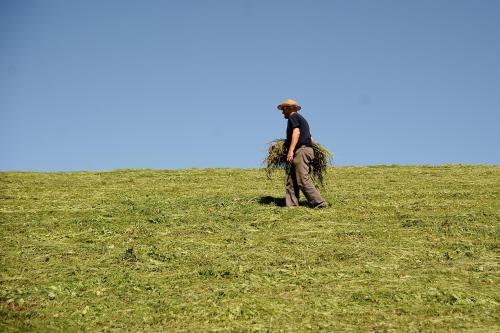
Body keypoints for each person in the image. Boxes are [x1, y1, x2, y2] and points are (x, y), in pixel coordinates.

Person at [277, 99, 328, 208]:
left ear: (288, 108)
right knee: (291, 179)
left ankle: (320, 203)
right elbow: (311, 138)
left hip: (301, 151)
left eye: (283, 109)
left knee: (301, 178)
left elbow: (296, 132)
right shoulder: (300, 119)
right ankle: (292, 205)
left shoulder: (293, 117)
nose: (282, 112)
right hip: (303, 150)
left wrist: (290, 151)